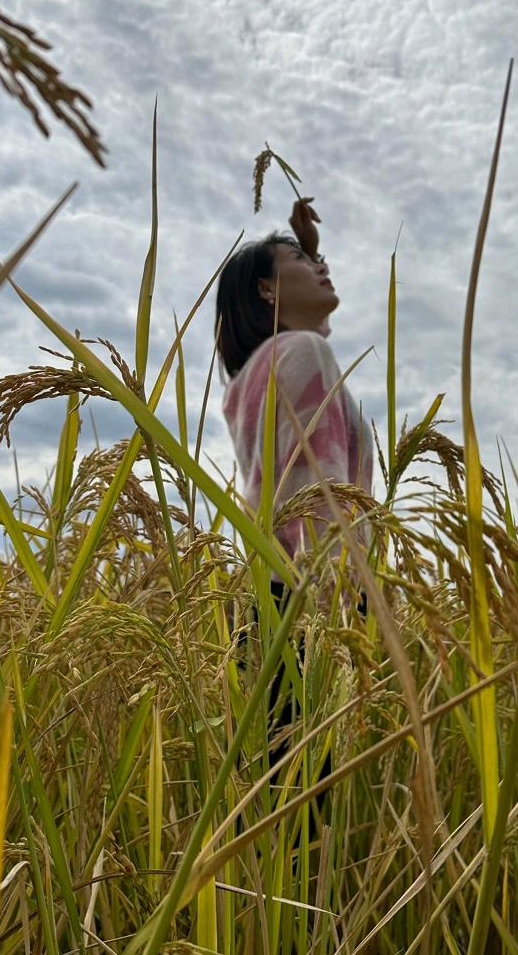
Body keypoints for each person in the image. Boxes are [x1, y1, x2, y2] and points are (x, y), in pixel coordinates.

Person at [215, 196, 374, 800]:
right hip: (310, 594)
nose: (322, 268)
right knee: (310, 804)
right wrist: (348, 604)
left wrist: (304, 250)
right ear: (265, 290)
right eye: (304, 264)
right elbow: (320, 490)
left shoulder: (254, 372)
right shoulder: (305, 353)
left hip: (267, 598)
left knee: (278, 799)